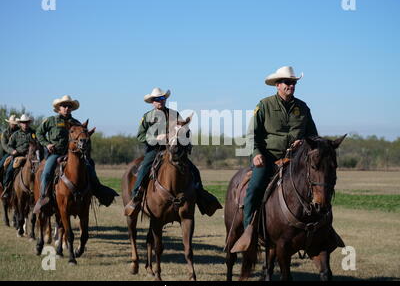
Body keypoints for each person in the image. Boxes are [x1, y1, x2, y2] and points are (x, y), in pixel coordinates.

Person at [231, 66, 318, 252]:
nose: (291, 85)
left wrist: (303, 142)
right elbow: (251, 134)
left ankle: (324, 232)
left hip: (296, 162)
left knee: (319, 186)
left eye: (293, 82)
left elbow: (313, 137)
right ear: (277, 85)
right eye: (287, 82)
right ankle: (249, 232)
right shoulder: (264, 105)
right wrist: (256, 154)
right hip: (268, 158)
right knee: (254, 188)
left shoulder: (303, 108)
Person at [124, 87, 222, 217]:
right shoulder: (147, 117)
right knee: (144, 169)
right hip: (155, 150)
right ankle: (136, 198)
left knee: (194, 170)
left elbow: (184, 129)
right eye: (157, 99)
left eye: (162, 98)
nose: (160, 101)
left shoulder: (174, 114)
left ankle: (201, 197)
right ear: (152, 102)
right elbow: (140, 136)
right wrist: (155, 138)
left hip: (174, 149)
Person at [33, 95, 118, 213]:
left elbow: (83, 136)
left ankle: (98, 191)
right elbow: (39, 133)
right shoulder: (51, 121)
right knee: (47, 171)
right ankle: (43, 198)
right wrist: (47, 144)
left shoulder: (76, 123)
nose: (67, 108)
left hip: (74, 155)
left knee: (89, 167)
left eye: (69, 106)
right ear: (59, 108)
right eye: (64, 106)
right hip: (56, 153)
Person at [1, 115, 36, 199]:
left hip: (31, 157)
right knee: (10, 169)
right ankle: (7, 189)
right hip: (18, 156)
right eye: (23, 123)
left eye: (26, 122)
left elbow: (37, 142)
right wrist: (12, 151)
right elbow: (8, 145)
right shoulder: (15, 134)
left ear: (29, 123)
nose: (25, 124)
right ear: (20, 124)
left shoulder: (33, 133)